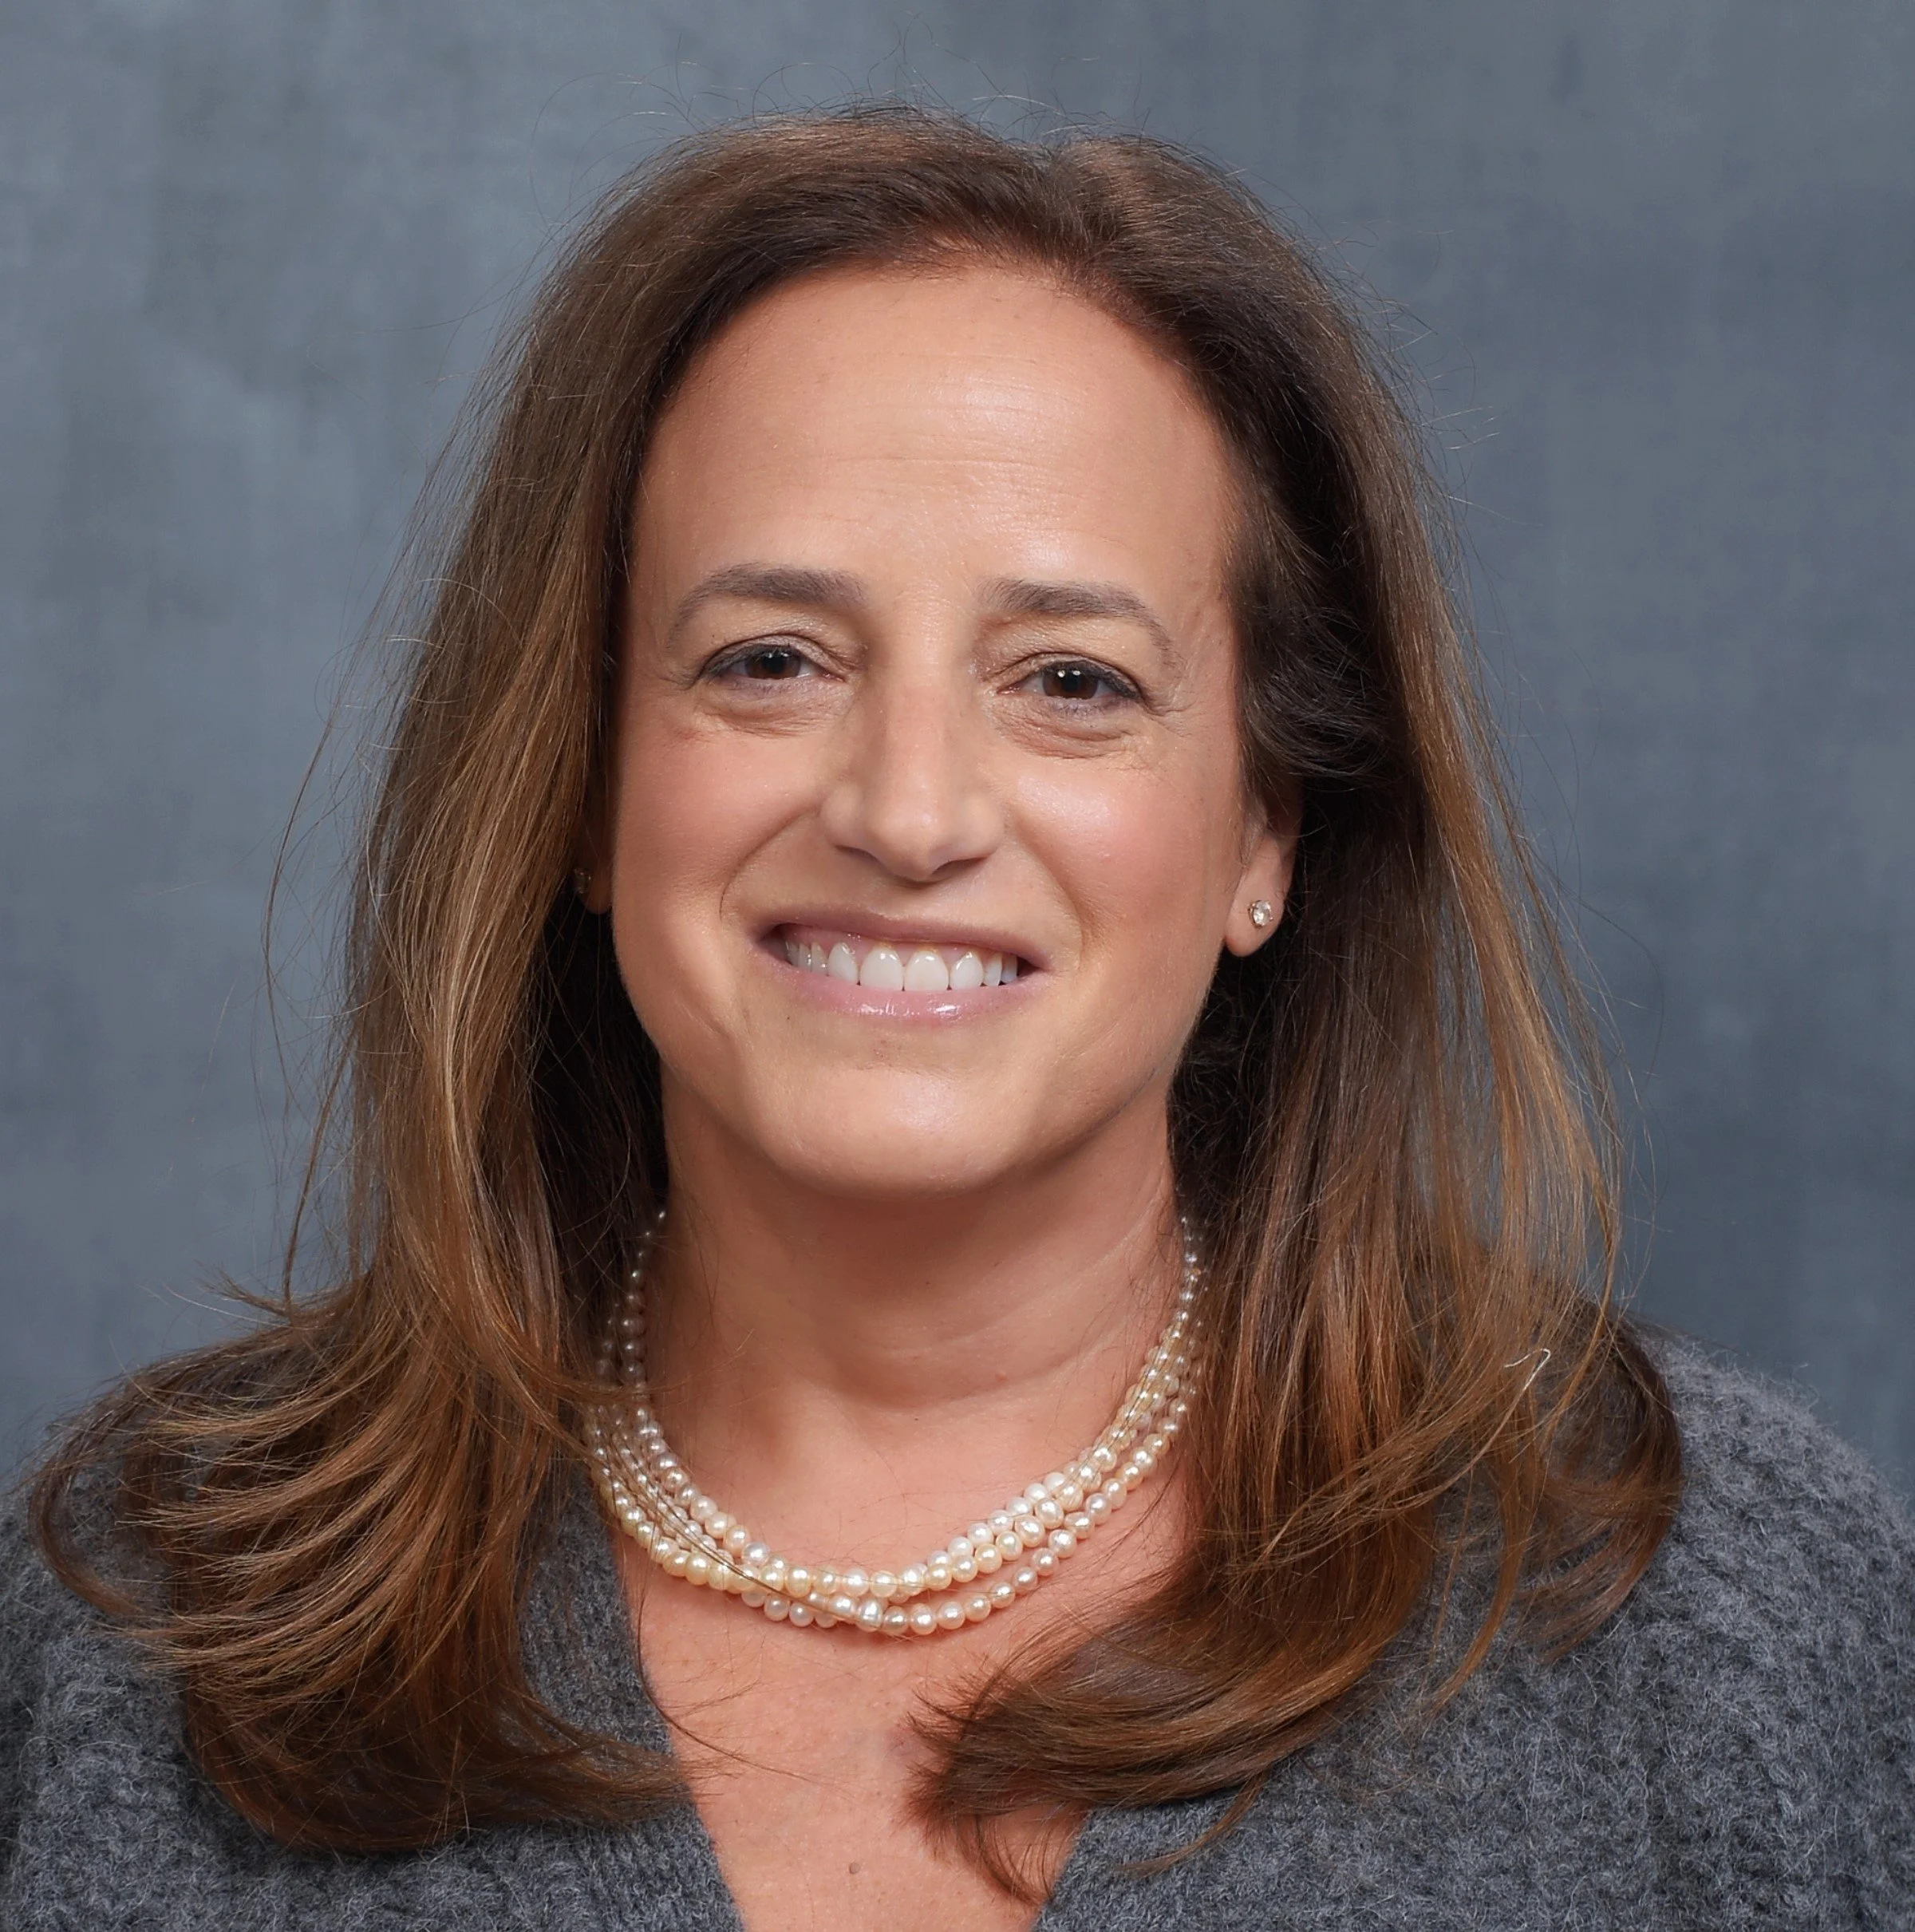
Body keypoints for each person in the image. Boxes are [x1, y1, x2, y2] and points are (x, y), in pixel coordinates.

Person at [3, 105, 1908, 1930]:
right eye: (770, 660)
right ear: (581, 786)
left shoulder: (1713, 1613)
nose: (908, 812)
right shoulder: (138, 1625)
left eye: (1070, 679)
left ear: (1267, 827)